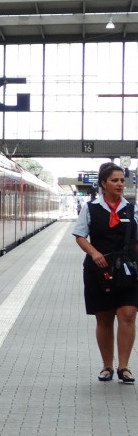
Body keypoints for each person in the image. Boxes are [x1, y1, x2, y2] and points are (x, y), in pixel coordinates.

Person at [72, 161, 138, 383]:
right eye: (115, 180)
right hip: (99, 271)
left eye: (122, 180)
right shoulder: (90, 208)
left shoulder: (132, 209)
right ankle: (107, 366)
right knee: (104, 318)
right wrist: (94, 253)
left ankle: (124, 367)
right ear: (103, 183)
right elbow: (80, 235)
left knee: (128, 315)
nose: (120, 184)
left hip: (127, 270)